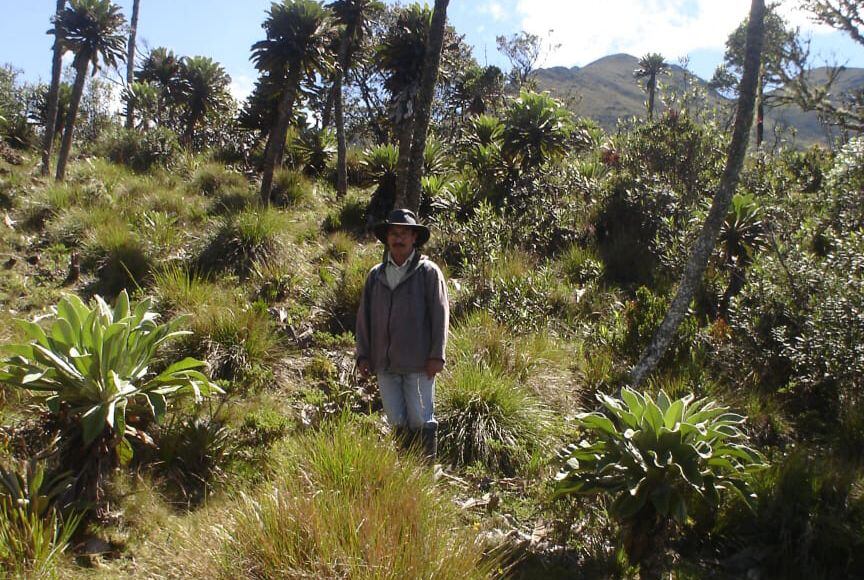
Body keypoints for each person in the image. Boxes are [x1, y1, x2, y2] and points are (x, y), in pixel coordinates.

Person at [355, 208, 449, 462]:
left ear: (414, 238)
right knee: (396, 420)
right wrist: (363, 355)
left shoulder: (428, 272)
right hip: (385, 365)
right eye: (394, 233)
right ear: (386, 238)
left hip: (419, 364)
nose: (398, 238)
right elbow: (364, 317)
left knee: (421, 419)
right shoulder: (376, 275)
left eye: (404, 233)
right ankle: (408, 476)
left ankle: (426, 474)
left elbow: (441, 316)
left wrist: (436, 356)